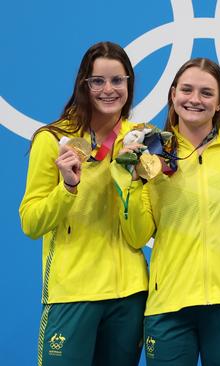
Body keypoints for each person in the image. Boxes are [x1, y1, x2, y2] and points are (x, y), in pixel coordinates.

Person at [112, 57, 220, 366]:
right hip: (169, 304)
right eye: (186, 90)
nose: (195, 99)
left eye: (206, 92)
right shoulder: (151, 152)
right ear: (173, 95)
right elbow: (136, 235)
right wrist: (128, 179)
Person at [19, 41, 148, 366]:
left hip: (129, 296)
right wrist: (67, 187)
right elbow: (31, 223)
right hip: (72, 294)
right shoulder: (52, 140)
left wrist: (129, 180)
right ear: (83, 85)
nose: (109, 89)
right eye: (98, 81)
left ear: (129, 84)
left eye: (118, 80)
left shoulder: (140, 139)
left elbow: (144, 228)